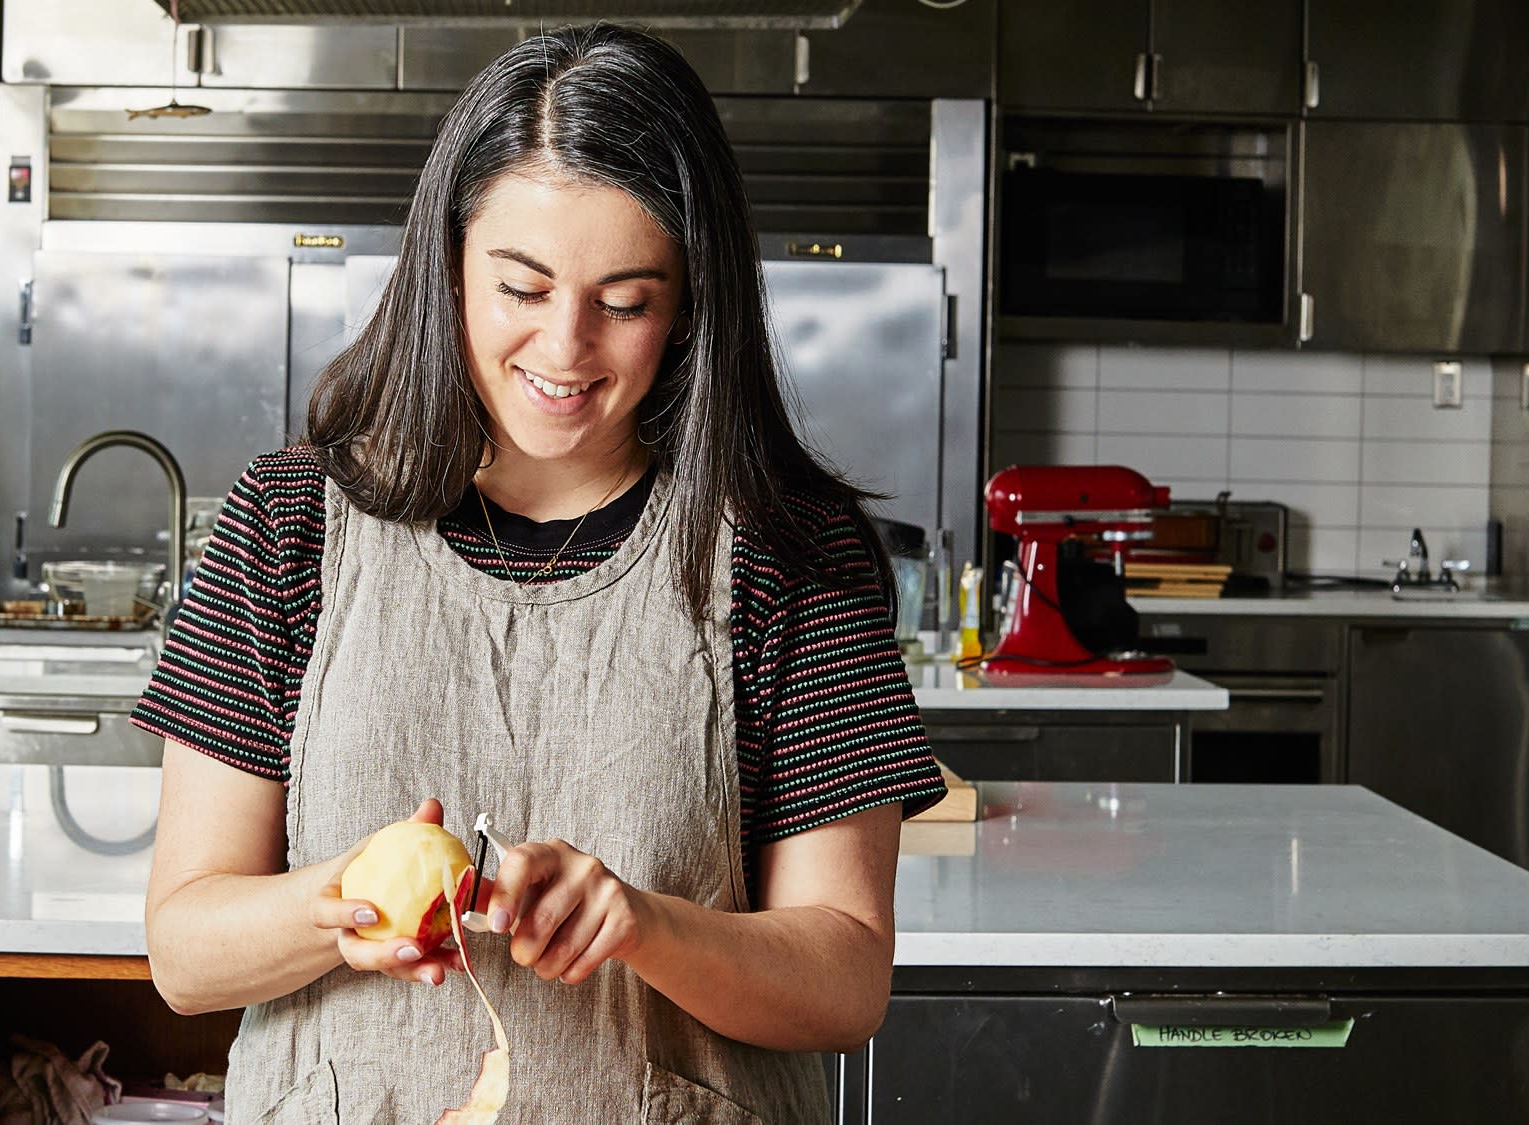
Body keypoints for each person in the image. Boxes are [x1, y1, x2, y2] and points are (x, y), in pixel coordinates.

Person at [135, 24, 945, 1124]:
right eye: (520, 287)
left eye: (623, 302)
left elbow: (844, 979)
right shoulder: (286, 524)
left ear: (690, 308)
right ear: (449, 267)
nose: (565, 349)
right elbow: (184, 952)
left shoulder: (787, 555)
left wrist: (642, 924)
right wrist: (349, 898)